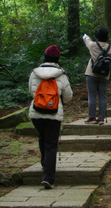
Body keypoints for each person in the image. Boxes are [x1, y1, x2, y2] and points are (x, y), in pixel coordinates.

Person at [28, 45, 73, 189]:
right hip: (53, 113)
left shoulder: (35, 73)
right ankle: (48, 177)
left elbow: (31, 92)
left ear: (45, 57)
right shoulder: (62, 75)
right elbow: (68, 96)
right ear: (57, 59)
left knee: (42, 137)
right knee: (51, 144)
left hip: (36, 112)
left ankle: (44, 164)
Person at [82, 28, 111, 123]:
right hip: (104, 75)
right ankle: (101, 116)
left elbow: (86, 39)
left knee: (92, 95)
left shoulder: (93, 46)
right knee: (102, 96)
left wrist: (85, 35)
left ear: (97, 37)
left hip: (91, 73)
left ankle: (92, 116)